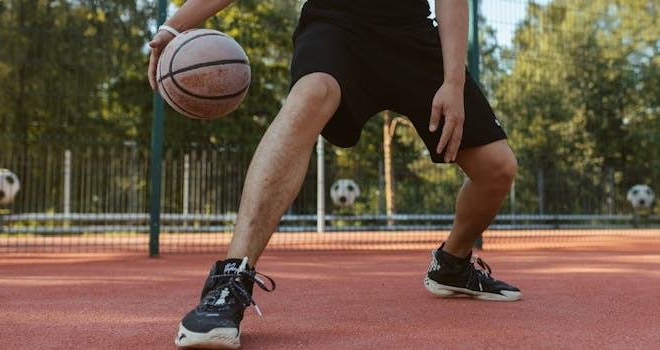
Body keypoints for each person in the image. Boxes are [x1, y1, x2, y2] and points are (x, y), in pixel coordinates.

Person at [148, 0, 521, 348]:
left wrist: (453, 82)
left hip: (411, 33)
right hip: (335, 26)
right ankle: (230, 278)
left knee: (497, 168)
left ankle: (453, 265)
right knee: (311, 94)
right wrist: (173, 26)